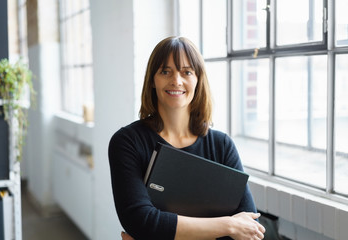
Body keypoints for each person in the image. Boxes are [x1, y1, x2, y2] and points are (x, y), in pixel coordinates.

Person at [108, 36, 265, 240]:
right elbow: (141, 221)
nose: (176, 80)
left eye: (187, 72)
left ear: (198, 80)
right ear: (152, 81)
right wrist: (228, 225)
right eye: (165, 71)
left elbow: (250, 229)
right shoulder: (127, 142)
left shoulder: (221, 145)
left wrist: (160, 231)